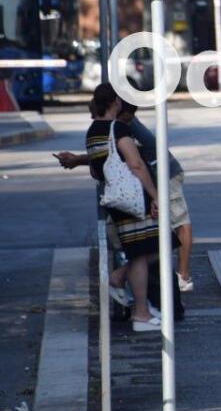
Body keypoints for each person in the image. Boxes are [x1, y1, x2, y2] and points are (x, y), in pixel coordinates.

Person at [57, 101, 194, 290]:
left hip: (165, 175)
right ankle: (135, 276)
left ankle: (182, 276)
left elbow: (129, 159)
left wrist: (155, 196)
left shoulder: (124, 125)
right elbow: (114, 154)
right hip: (144, 181)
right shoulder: (115, 123)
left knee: (177, 223)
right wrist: (78, 160)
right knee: (146, 238)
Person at [62, 84, 162, 331]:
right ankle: (140, 313)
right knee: (144, 252)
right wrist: (155, 195)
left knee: (146, 251)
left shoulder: (93, 132)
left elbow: (97, 169)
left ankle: (126, 288)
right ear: (115, 101)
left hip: (116, 199)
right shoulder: (118, 129)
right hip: (133, 198)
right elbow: (136, 164)